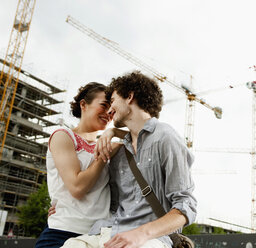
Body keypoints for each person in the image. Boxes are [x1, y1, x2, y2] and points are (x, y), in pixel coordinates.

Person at [62, 71, 197, 248]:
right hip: (108, 232)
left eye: (113, 100)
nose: (110, 110)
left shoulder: (165, 136)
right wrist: (62, 204)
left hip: (150, 239)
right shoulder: (117, 152)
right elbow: (109, 202)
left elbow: (186, 206)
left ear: (130, 97)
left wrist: (141, 233)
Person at [35, 82, 125, 248]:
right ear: (83, 104)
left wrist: (113, 132)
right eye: (104, 105)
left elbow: (145, 135)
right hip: (63, 232)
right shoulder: (63, 136)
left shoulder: (107, 143)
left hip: (100, 235)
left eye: (111, 108)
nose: (108, 113)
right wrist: (103, 155)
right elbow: (77, 187)